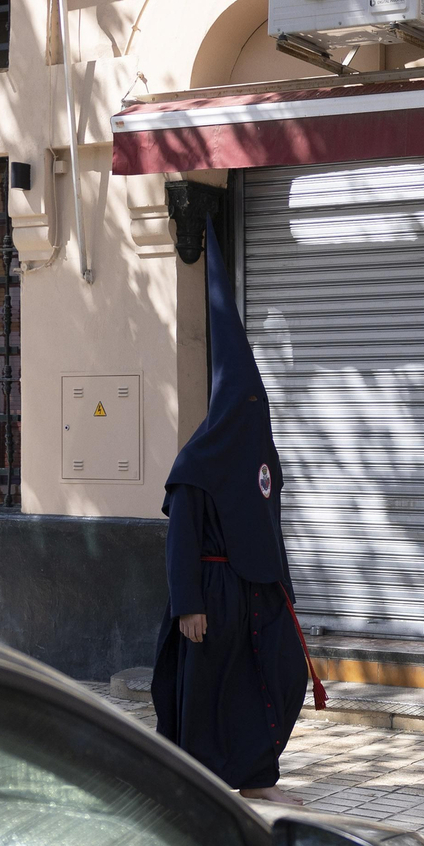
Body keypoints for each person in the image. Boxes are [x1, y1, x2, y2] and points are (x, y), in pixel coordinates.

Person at [151, 220, 324, 805]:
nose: (255, 412)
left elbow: (271, 528)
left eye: (260, 402)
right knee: (207, 698)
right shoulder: (197, 463)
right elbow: (181, 539)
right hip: (212, 599)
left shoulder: (261, 460)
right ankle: (201, 786)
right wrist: (188, 605)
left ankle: (256, 778)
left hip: (258, 597)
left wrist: (284, 592)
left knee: (275, 679)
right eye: (246, 402)